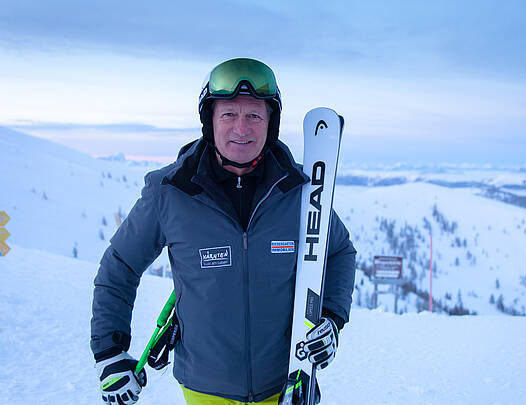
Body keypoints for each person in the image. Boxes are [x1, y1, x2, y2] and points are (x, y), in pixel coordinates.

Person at [91, 58, 356, 405]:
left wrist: (331, 319)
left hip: (288, 382)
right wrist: (110, 352)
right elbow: (120, 266)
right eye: (229, 114)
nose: (241, 129)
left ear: (270, 122)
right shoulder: (171, 191)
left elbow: (338, 252)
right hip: (206, 388)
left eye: (254, 115)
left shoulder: (300, 192)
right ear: (210, 121)